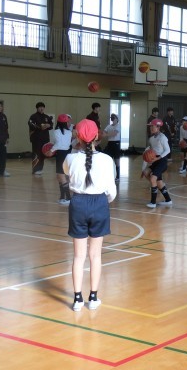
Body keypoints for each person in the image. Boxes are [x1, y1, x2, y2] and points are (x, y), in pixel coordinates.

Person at [64, 119, 116, 312]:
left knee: (79, 256)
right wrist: (102, 202)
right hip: (99, 203)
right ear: (97, 136)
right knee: (95, 255)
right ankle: (93, 297)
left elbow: (67, 173)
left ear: (77, 137)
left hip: (78, 204)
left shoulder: (70, 158)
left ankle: (77, 299)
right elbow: (112, 191)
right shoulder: (107, 160)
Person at [145, 118, 173, 208]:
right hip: (155, 161)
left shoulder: (163, 137)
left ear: (158, 127)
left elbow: (168, 150)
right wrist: (147, 162)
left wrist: (158, 158)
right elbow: (150, 152)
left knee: (153, 179)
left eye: (152, 126)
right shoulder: (151, 139)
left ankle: (153, 202)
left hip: (162, 161)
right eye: (150, 127)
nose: (151, 128)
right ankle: (168, 200)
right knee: (147, 173)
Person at [52, 114, 73, 204]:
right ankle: (62, 197)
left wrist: (51, 150)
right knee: (59, 176)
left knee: (61, 176)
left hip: (61, 154)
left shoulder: (56, 132)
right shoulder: (69, 132)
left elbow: (58, 144)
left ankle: (68, 198)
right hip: (66, 154)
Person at [28, 102, 54, 175]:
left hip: (45, 138)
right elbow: (31, 124)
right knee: (36, 154)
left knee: (43, 154)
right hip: (36, 139)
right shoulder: (33, 116)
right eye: (40, 107)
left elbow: (51, 125)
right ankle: (35, 169)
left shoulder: (46, 117)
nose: (41, 108)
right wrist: (40, 126)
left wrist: (49, 125)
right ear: (37, 108)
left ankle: (40, 169)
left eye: (43, 107)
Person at [103, 114, 121, 180]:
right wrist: (104, 134)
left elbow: (114, 133)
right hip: (110, 144)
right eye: (112, 117)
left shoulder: (118, 126)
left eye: (114, 117)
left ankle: (117, 176)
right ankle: (109, 175)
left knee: (117, 160)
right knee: (108, 159)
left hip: (116, 144)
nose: (113, 119)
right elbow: (103, 132)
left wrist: (106, 135)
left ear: (117, 119)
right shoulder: (108, 126)